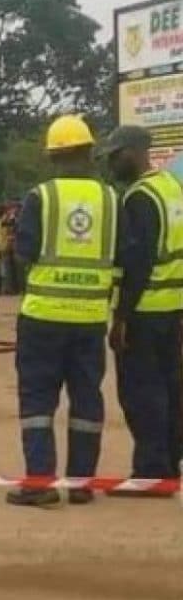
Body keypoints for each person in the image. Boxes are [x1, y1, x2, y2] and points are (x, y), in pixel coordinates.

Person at [7, 115, 119, 507]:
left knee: (38, 401)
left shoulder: (41, 197)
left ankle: (40, 483)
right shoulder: (111, 199)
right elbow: (122, 256)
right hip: (90, 319)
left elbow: (23, 253)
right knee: (87, 400)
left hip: (43, 317)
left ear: (52, 156)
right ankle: (81, 484)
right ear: (90, 153)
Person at [102, 125, 183, 495]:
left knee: (141, 392)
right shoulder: (172, 189)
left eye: (115, 156)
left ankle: (150, 472)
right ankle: (169, 464)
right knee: (171, 388)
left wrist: (121, 318)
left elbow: (139, 262)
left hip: (146, 311)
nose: (112, 164)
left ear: (133, 153)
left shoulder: (139, 197)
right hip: (175, 309)